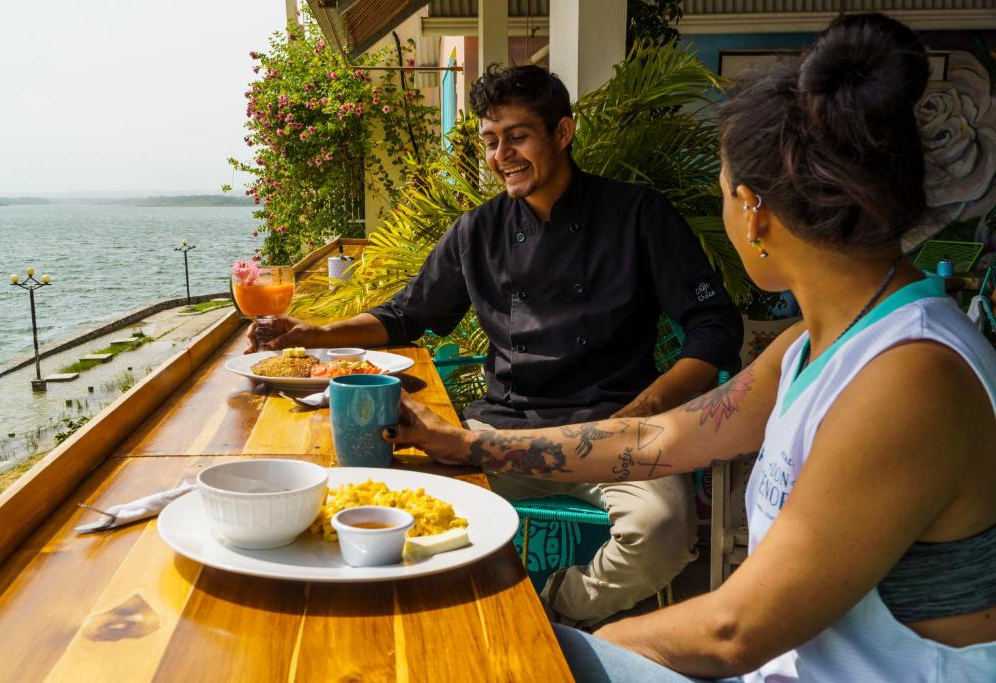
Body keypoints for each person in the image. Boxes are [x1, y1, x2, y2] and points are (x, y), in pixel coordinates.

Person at [378, 13, 996, 681]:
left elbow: (732, 630)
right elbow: (662, 440)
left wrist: (581, 639)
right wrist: (467, 445)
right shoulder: (812, 345)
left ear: (753, 211)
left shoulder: (912, 376)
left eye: (722, 190)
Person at [248, 64, 743, 625]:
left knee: (663, 531)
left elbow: (715, 326)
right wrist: (314, 333)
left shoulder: (637, 214)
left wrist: (647, 410)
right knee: (386, 503)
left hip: (610, 431)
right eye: (490, 141)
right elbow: (406, 315)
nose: (501, 154)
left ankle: (544, 615)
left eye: (517, 136)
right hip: (500, 429)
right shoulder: (477, 231)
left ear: (562, 133)